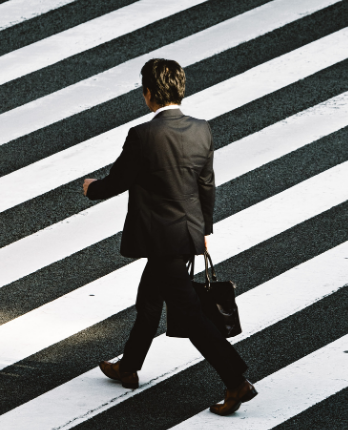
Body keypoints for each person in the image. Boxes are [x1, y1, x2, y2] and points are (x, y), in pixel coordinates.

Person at [83, 58, 257, 416]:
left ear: (148, 94)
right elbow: (206, 185)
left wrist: (90, 188)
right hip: (185, 233)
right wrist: (203, 231)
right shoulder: (201, 130)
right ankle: (128, 365)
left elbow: (118, 181)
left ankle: (236, 380)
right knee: (149, 299)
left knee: (190, 315)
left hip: (158, 237)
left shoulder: (143, 135)